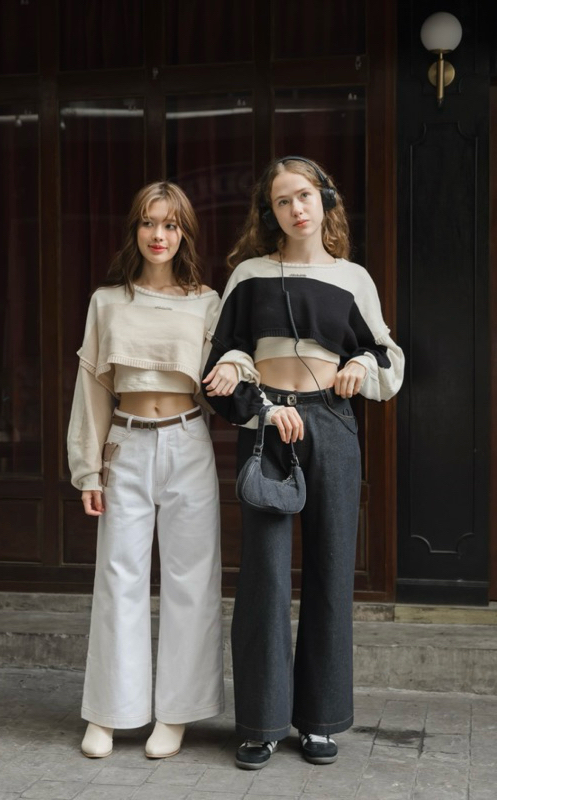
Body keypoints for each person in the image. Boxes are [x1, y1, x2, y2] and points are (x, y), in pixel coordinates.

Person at [202, 156, 404, 770]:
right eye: (283, 200)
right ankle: (261, 723)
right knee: (263, 576)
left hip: (332, 425)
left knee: (331, 569)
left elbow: (386, 355)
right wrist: (257, 401)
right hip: (269, 425)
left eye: (306, 195)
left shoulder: (353, 279)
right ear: (270, 213)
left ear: (326, 200)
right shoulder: (249, 276)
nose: (296, 208)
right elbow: (222, 355)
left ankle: (319, 721)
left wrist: (360, 364)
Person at [67, 181, 224, 760]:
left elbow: (228, 373)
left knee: (191, 580)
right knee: (118, 578)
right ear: (135, 229)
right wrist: (87, 471)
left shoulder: (207, 301)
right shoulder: (108, 301)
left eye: (171, 225)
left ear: (184, 233)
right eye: (149, 223)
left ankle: (176, 713)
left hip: (188, 441)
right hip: (125, 444)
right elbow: (92, 388)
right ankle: (110, 713)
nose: (159, 235)